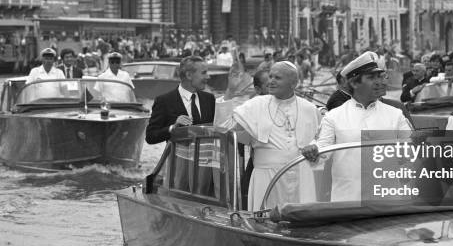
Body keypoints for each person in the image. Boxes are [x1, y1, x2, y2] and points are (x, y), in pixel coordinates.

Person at [301, 51, 412, 201]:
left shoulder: (395, 114)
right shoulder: (334, 117)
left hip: (387, 202)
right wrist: (312, 150)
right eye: (371, 78)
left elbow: (412, 152)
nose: (379, 82)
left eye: (379, 76)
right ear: (354, 83)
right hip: (348, 201)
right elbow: (321, 152)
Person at [214, 61, 319, 210]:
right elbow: (222, 126)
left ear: (293, 83)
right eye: (270, 76)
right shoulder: (256, 104)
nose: (271, 81)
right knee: (264, 220)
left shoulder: (309, 109)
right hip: (266, 178)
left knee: (302, 220)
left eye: (278, 77)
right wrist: (230, 91)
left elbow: (320, 141)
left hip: (302, 177)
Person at [146, 56, 216, 144]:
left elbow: (218, 128)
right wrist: (173, 128)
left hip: (205, 156)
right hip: (178, 157)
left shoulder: (209, 99)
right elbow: (150, 136)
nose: (208, 76)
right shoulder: (164, 101)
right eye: (204, 73)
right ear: (189, 75)